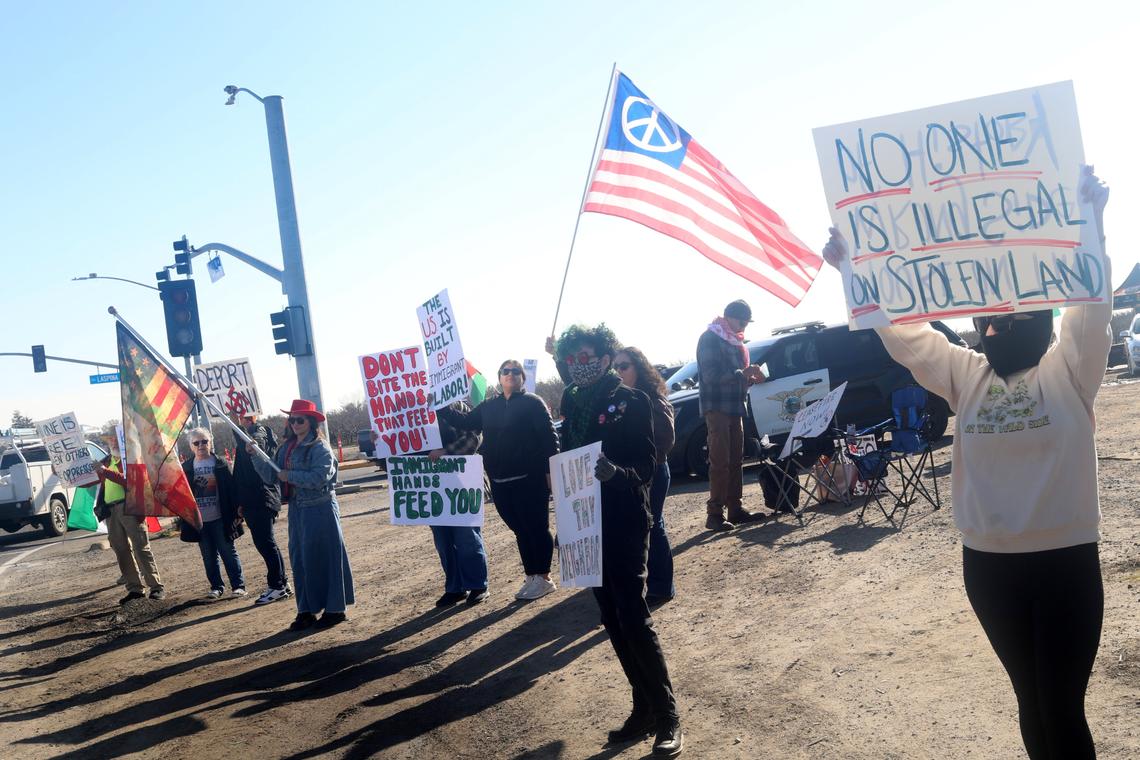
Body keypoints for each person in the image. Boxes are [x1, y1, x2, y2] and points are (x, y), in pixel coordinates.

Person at [821, 165, 1110, 760]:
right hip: (990, 569)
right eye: (988, 320)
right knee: (1031, 701)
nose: (998, 326)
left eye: (1014, 316)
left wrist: (1089, 222)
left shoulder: (1071, 368)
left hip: (1065, 565)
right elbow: (906, 337)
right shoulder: (965, 373)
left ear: (1041, 316)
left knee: (1061, 705)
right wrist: (854, 270)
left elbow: (1090, 305)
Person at [556, 324, 683, 757]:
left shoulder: (630, 400)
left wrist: (616, 473)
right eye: (571, 359)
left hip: (625, 518)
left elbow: (647, 465)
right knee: (610, 616)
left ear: (606, 357)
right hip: (583, 522)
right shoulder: (571, 401)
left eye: (587, 356)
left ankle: (667, 715)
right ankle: (641, 706)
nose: (579, 365)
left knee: (634, 616)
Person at [439, 360, 560, 601]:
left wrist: (550, 471)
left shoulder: (532, 403)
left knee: (536, 527)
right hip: (500, 480)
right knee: (519, 530)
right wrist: (439, 406)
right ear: (499, 377)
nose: (511, 374)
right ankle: (531, 575)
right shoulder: (488, 406)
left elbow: (550, 438)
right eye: (506, 371)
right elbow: (464, 422)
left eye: (516, 371)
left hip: (531, 477)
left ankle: (544, 577)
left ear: (522, 378)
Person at [250, 400, 355, 631]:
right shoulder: (285, 447)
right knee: (301, 560)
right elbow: (271, 476)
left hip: (321, 508)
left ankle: (335, 609)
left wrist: (291, 476)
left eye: (300, 419)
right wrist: (255, 455)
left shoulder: (320, 447)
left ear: (311, 422)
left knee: (326, 557)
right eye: (292, 419)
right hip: (298, 510)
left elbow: (320, 477)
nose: (295, 423)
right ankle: (305, 611)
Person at [695, 300, 767, 530]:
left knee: (736, 459)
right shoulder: (710, 337)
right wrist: (742, 373)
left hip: (735, 405)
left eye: (747, 322)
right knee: (720, 461)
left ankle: (735, 509)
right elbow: (709, 375)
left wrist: (750, 377)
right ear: (728, 317)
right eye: (742, 321)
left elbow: (733, 376)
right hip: (717, 407)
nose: (744, 326)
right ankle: (714, 514)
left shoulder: (734, 340)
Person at [614, 346, 675, 604]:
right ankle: (644, 581)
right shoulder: (620, 399)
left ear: (638, 368)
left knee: (653, 524)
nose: (618, 372)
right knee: (640, 526)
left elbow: (666, 439)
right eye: (615, 367)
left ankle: (662, 586)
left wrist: (644, 461)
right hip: (632, 474)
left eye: (624, 366)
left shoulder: (651, 398)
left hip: (653, 472)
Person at [428, 400, 489, 607]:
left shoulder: (457, 407)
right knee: (442, 540)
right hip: (432, 485)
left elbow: (474, 437)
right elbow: (400, 452)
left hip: (463, 482)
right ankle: (455, 588)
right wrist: (380, 443)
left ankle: (478, 585)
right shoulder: (410, 416)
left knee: (466, 537)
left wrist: (447, 452)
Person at [93, 435, 165, 604]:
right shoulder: (106, 461)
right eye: (110, 441)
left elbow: (130, 481)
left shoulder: (131, 459)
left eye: (115, 440)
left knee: (141, 547)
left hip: (130, 507)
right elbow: (87, 482)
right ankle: (135, 589)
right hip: (111, 511)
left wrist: (105, 471)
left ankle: (156, 587)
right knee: (121, 550)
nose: (113, 443)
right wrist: (60, 472)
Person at [230, 412, 292, 605]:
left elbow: (257, 445)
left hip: (262, 498)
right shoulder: (247, 435)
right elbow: (242, 470)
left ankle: (277, 586)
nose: (241, 417)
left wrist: (238, 427)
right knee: (266, 543)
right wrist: (240, 502)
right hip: (252, 499)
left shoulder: (260, 431)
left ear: (253, 415)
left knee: (266, 543)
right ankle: (281, 583)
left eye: (244, 415)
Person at [180, 428, 246, 600]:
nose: (201, 445)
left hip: (221, 517)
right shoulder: (185, 468)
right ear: (191, 446)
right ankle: (216, 587)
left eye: (204, 441)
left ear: (210, 442)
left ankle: (238, 586)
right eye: (196, 443)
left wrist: (238, 508)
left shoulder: (221, 464)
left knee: (228, 552)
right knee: (208, 556)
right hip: (199, 521)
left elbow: (233, 489)